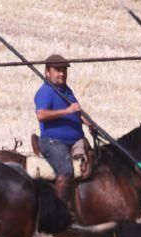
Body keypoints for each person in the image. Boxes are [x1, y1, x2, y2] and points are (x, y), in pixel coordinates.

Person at [34, 53, 90, 209]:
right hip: (53, 142)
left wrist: (88, 123)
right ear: (47, 72)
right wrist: (67, 111)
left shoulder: (66, 90)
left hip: (76, 141)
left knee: (94, 162)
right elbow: (41, 114)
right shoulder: (45, 91)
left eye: (64, 70)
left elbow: (76, 111)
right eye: (57, 70)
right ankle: (57, 212)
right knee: (66, 171)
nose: (62, 73)